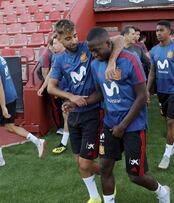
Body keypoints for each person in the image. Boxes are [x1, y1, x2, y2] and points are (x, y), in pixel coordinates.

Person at [78, 26, 170, 203]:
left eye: (96, 50)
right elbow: (100, 93)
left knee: (135, 176)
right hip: (110, 123)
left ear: (107, 43)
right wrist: (78, 102)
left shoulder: (130, 60)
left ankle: (162, 192)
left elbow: (142, 96)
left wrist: (123, 125)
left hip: (133, 126)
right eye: (91, 51)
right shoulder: (95, 64)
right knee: (105, 169)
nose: (94, 54)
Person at [47, 19, 124, 203]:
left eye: (74, 35)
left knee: (86, 162)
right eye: (67, 38)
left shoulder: (87, 48)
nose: (73, 40)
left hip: (93, 111)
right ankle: (95, 197)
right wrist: (70, 97)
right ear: (58, 39)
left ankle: (108, 179)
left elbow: (120, 39)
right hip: (74, 114)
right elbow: (51, 87)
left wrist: (112, 61)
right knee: (79, 162)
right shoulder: (59, 59)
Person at [0, 34, 46, 169]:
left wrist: (3, 106)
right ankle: (38, 141)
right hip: (11, 95)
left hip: (3, 98)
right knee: (10, 126)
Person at [146, 20, 174, 169]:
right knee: (166, 119)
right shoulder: (154, 51)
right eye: (157, 30)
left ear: (169, 32)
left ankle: (166, 155)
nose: (158, 33)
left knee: (171, 122)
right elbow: (152, 71)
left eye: (161, 30)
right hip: (161, 92)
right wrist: (147, 89)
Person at [36, 36, 69, 154]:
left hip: (77, 90)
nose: (52, 46)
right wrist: (44, 87)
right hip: (65, 91)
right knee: (66, 114)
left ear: (62, 43)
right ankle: (64, 143)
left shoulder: (71, 54)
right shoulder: (55, 56)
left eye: (55, 43)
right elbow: (50, 73)